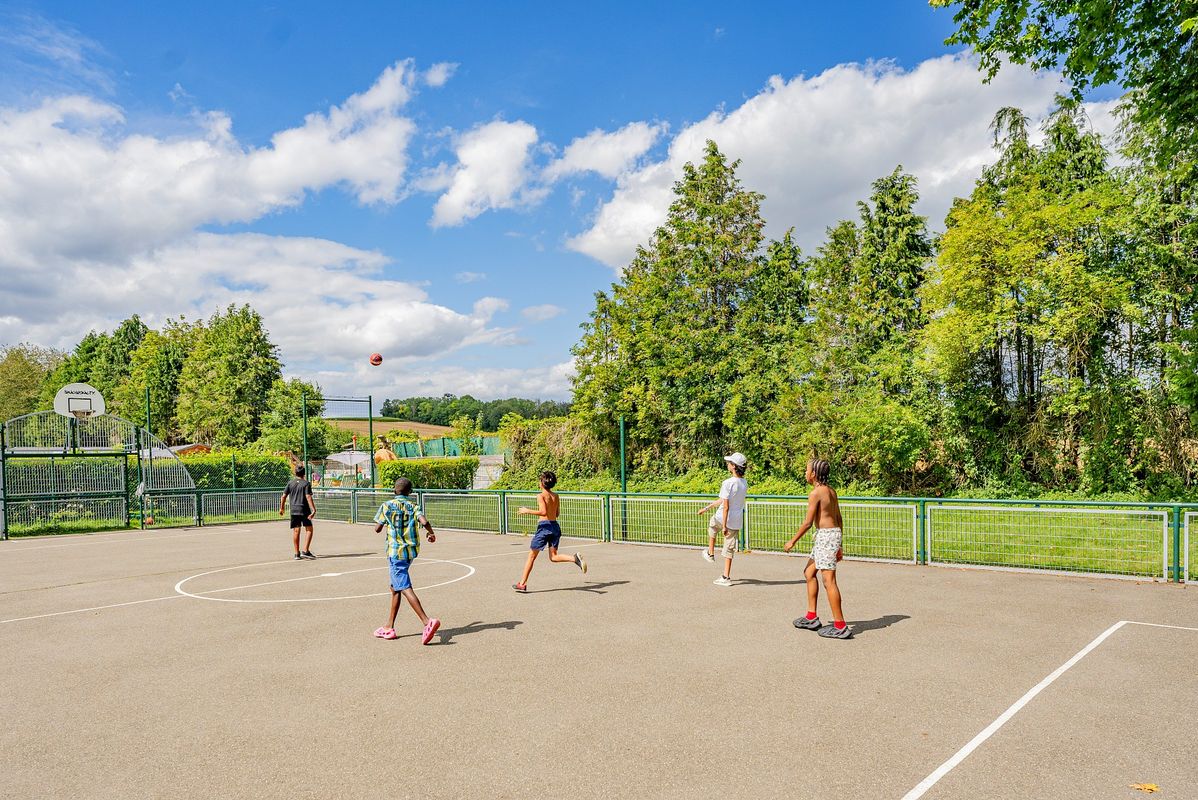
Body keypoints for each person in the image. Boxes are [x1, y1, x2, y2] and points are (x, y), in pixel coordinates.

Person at [783, 459, 851, 639]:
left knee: (829, 581)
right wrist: (839, 544)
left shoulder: (816, 493)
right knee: (809, 572)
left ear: (813, 474)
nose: (805, 473)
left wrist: (792, 541)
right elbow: (839, 518)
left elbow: (807, 523)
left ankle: (840, 626)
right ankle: (812, 617)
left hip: (826, 536)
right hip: (830, 535)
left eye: (806, 470)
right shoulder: (831, 491)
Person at [372, 477, 441, 644]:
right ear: (410, 492)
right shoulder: (413, 506)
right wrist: (431, 533)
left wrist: (384, 524)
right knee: (395, 587)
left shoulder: (387, 505)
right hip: (410, 551)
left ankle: (427, 621)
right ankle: (389, 627)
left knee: (403, 586)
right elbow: (424, 521)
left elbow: (377, 528)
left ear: (395, 491)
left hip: (396, 552)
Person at [512, 470, 587, 592]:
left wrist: (527, 510)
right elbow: (557, 513)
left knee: (531, 556)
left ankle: (522, 583)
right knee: (553, 557)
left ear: (542, 483)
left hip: (544, 527)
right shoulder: (555, 496)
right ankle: (575, 559)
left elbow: (543, 512)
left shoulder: (541, 496)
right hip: (555, 526)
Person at [696, 453, 748, 587]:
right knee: (729, 549)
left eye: (729, 462)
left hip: (723, 518)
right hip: (736, 520)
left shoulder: (727, 483)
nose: (727, 464)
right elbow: (723, 500)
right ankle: (725, 576)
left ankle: (711, 553)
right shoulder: (744, 483)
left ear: (734, 466)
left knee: (713, 526)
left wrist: (724, 525)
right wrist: (706, 508)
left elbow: (725, 506)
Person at [278, 465, 317, 560]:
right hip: (304, 509)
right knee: (309, 529)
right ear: (304, 473)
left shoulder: (290, 483)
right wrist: (313, 509)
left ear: (295, 473)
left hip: (294, 509)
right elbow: (308, 496)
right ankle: (306, 551)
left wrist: (281, 508)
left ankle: (296, 554)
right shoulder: (306, 483)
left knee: (296, 530)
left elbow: (283, 496)